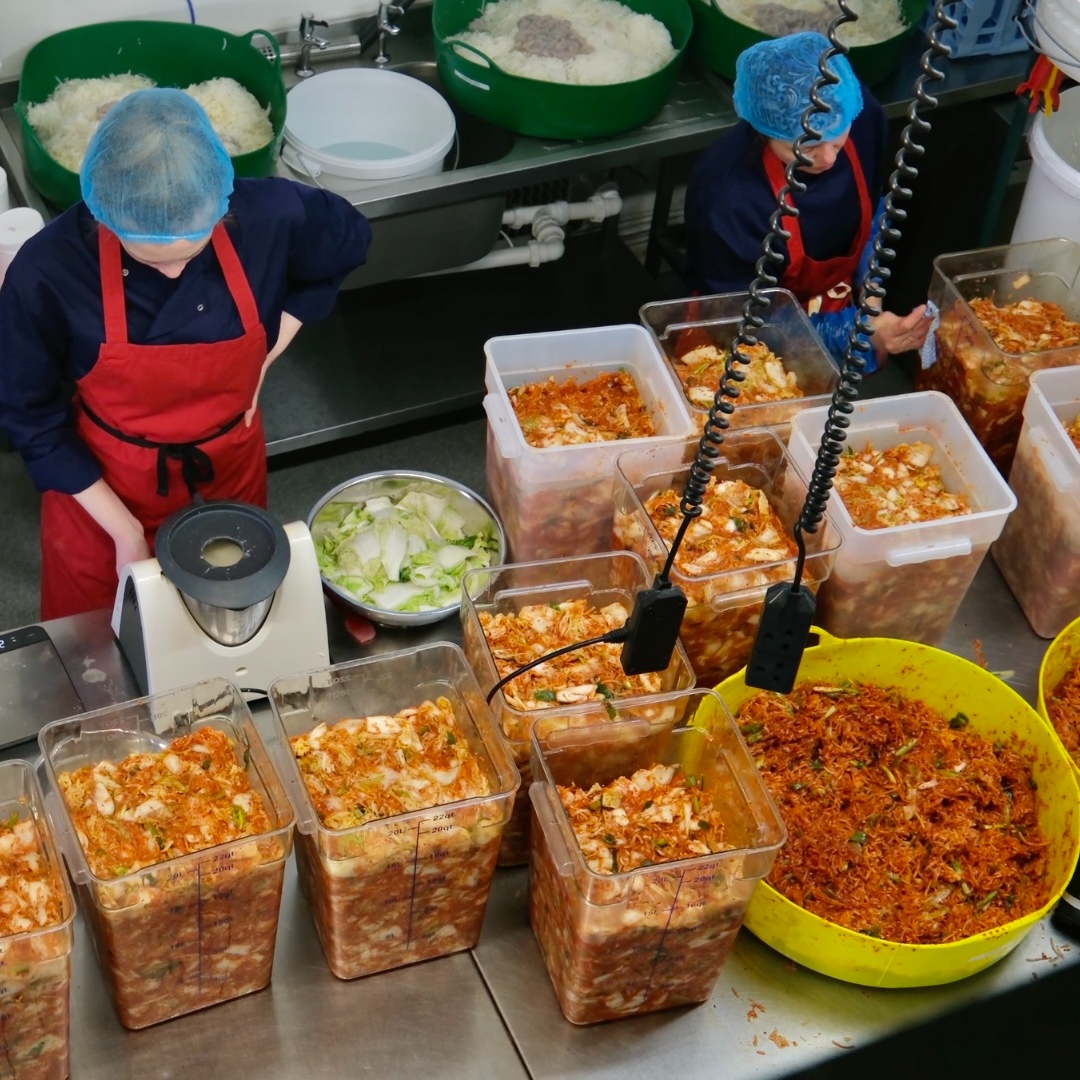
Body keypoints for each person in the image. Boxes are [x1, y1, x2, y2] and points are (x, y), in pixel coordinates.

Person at [0, 88, 373, 620]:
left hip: (229, 472)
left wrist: (270, 347)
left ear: (222, 204)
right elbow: (29, 418)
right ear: (104, 214)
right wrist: (125, 532)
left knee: (227, 631)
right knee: (98, 654)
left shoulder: (268, 213)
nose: (174, 272)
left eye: (191, 250)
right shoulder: (47, 270)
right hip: (102, 493)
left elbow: (348, 241)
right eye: (148, 255)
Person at [683, 32, 931, 370]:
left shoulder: (857, 116)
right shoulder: (728, 197)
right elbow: (736, 321)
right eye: (805, 149)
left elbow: (872, 216)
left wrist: (871, 300)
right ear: (765, 129)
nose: (827, 159)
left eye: (836, 143)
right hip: (746, 337)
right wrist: (854, 332)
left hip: (841, 307)